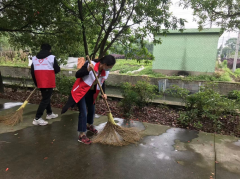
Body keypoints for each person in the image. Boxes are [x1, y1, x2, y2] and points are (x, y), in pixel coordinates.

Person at [61, 55, 116, 144]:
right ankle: (81, 134)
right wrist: (88, 70)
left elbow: (102, 81)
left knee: (92, 109)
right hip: (81, 90)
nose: (109, 69)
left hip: (91, 92)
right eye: (109, 67)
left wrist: (104, 93)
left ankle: (89, 125)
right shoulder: (90, 64)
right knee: (83, 111)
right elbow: (77, 74)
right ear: (104, 64)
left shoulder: (105, 72)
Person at [31, 44, 60, 126]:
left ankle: (49, 113)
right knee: (45, 100)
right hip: (48, 82)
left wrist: (36, 83)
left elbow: (32, 72)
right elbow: (57, 69)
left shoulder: (34, 58)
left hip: (40, 82)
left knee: (46, 98)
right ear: (49, 50)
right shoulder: (51, 57)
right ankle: (37, 118)